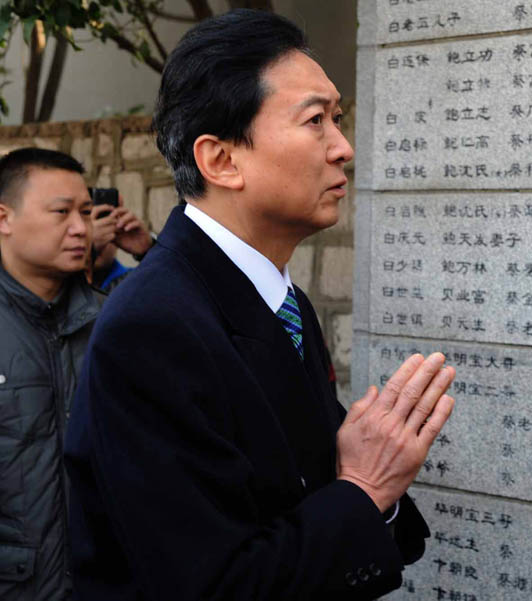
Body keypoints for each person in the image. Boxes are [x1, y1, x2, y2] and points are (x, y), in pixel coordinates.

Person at [65, 9, 456, 601]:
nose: (343, 148)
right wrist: (365, 488)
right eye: (315, 121)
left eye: (338, 119)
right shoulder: (152, 326)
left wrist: (370, 486)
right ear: (221, 160)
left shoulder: (281, 300)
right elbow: (211, 584)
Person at [0, 148, 101, 600]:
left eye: (85, 211)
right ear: (4, 218)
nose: (81, 228)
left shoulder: (115, 324)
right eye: (61, 213)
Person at [89, 204, 154, 293]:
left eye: (107, 230)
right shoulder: (66, 280)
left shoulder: (134, 281)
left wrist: (149, 251)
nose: (101, 241)